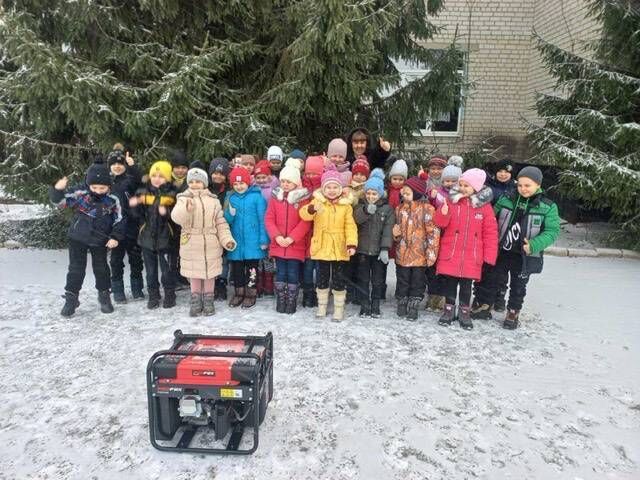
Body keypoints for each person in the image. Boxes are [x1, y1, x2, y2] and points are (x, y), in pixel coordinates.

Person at [472, 166, 560, 329]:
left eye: (528, 185)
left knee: (518, 285)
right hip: (502, 250)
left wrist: (534, 245)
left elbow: (552, 231)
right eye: (520, 185)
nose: (523, 189)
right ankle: (485, 305)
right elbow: (491, 218)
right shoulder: (507, 198)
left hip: (524, 254)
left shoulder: (547, 206)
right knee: (491, 278)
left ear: (538, 185)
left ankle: (513, 311)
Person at [50, 157, 125, 316]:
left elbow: (120, 219)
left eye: (102, 187)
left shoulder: (114, 198)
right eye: (94, 187)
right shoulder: (81, 193)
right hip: (78, 237)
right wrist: (57, 190)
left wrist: (115, 237)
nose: (98, 190)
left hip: (101, 238)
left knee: (101, 268)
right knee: (76, 269)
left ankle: (104, 296)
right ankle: (71, 298)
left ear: (109, 185)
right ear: (88, 184)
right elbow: (61, 202)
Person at [434, 168, 498, 330]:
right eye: (461, 184)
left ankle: (464, 312)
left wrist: (490, 256)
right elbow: (439, 223)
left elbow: (490, 232)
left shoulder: (484, 208)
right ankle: (448, 310)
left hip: (472, 255)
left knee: (465, 286)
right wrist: (443, 213)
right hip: (452, 252)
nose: (462, 188)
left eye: (466, 186)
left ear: (476, 188)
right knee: (449, 284)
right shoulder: (451, 201)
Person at [171, 167, 236, 316]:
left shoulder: (213, 201)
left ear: (204, 183)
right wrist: (185, 210)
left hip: (211, 244)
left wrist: (227, 240)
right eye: (191, 181)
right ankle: (195, 301)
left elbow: (220, 223)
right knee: (194, 274)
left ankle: (208, 301)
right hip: (192, 243)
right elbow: (176, 218)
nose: (194, 184)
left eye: (198, 181)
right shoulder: (183, 198)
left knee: (210, 274)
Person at [299, 166, 358, 321]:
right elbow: (304, 214)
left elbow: (350, 226)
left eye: (335, 187)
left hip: (339, 247)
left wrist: (351, 244)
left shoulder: (345, 206)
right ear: (323, 189)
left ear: (340, 188)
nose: (332, 190)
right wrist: (312, 209)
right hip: (322, 246)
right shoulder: (318, 202)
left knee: (339, 279)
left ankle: (339, 309)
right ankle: (322, 306)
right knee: (322, 279)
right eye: (328, 187)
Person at [129, 160, 178, 309]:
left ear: (168, 178)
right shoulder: (142, 192)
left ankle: (170, 294)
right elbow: (136, 215)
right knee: (150, 271)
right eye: (154, 175)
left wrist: (167, 213)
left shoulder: (172, 193)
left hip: (166, 238)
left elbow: (178, 216)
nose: (157, 178)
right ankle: (153, 295)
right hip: (147, 238)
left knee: (167, 270)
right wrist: (135, 206)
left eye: (161, 176)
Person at [265, 164, 312, 314]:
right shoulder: (275, 198)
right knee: (280, 273)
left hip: (295, 245)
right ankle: (281, 299)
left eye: (288, 182)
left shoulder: (303, 199)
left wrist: (292, 238)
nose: (285, 184)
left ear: (296, 183)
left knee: (292, 273)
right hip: (278, 244)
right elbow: (269, 219)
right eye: (283, 181)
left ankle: (291, 300)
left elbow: (305, 222)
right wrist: (277, 236)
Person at [392, 176, 440, 321]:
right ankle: (402, 301)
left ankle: (414, 304)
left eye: (407, 193)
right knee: (402, 279)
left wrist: (431, 253)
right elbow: (397, 229)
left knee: (418, 281)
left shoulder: (427, 210)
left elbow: (433, 232)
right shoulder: (399, 209)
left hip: (419, 255)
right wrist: (395, 235)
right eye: (403, 193)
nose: (404, 196)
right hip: (403, 254)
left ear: (417, 193)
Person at [224, 166, 269, 308]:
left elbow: (263, 220)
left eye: (242, 183)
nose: (239, 187)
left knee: (252, 270)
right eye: (236, 184)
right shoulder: (230, 197)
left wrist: (263, 239)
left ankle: (251, 293)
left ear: (248, 183)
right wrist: (229, 214)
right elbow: (226, 222)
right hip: (236, 242)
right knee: (237, 269)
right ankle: (238, 293)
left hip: (253, 242)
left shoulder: (257, 197)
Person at [353, 169, 395, 317]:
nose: (371, 196)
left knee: (377, 280)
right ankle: (364, 304)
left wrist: (385, 249)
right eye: (368, 193)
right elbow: (356, 220)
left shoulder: (387, 209)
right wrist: (365, 211)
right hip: (363, 251)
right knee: (363, 279)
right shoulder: (360, 206)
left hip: (378, 252)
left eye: (374, 193)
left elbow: (388, 230)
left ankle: (375, 304)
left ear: (380, 194)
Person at [106, 145, 144, 303]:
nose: (117, 166)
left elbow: (143, 183)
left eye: (120, 164)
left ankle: (137, 288)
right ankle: (117, 290)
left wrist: (133, 166)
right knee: (116, 261)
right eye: (114, 164)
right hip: (114, 229)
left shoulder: (130, 179)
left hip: (132, 226)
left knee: (135, 259)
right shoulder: (106, 182)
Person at [424, 164, 462, 312]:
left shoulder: (461, 195)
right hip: (437, 234)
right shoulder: (437, 193)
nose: (450, 184)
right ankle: (433, 296)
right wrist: (431, 197)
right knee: (433, 268)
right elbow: (430, 208)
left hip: (452, 236)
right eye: (447, 181)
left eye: (454, 181)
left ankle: (444, 298)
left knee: (447, 268)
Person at [300, 155, 325, 307]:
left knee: (320, 266)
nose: (310, 176)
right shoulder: (302, 189)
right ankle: (307, 293)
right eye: (308, 173)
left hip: (321, 234)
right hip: (307, 233)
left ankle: (319, 292)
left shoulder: (325, 188)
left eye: (314, 173)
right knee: (308, 267)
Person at [208, 157, 231, 300]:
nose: (218, 176)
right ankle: (212, 284)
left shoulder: (228, 191)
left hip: (224, 228)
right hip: (209, 229)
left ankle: (221, 283)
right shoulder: (205, 189)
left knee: (224, 259)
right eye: (215, 173)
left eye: (221, 174)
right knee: (211, 257)